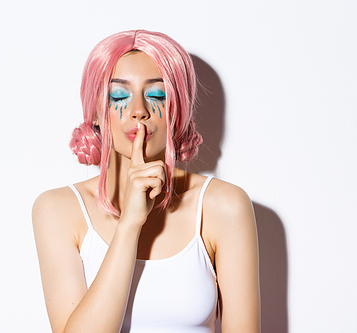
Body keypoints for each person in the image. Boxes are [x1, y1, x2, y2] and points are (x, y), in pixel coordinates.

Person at [33, 30, 260, 333]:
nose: (138, 111)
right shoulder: (58, 209)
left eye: (156, 95)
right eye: (119, 96)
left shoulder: (223, 206)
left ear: (177, 111)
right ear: (97, 113)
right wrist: (129, 225)